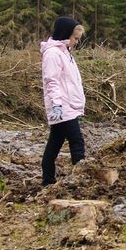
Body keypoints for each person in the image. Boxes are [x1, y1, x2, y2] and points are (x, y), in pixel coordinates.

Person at [40, 17, 87, 187]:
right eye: (75, 38)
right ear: (66, 34)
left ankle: (47, 180)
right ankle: (81, 179)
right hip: (62, 105)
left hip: (68, 104)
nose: (76, 42)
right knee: (76, 141)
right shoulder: (52, 54)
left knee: (55, 141)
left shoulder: (65, 52)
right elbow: (51, 81)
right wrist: (57, 104)